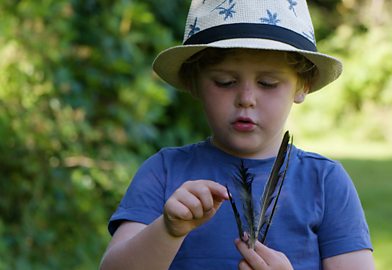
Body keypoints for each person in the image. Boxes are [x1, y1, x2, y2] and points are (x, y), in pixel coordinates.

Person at [100, 1, 374, 269]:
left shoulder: (325, 183)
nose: (246, 99)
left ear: (303, 85)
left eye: (268, 83)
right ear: (194, 82)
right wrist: (168, 231)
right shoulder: (163, 173)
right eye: (225, 82)